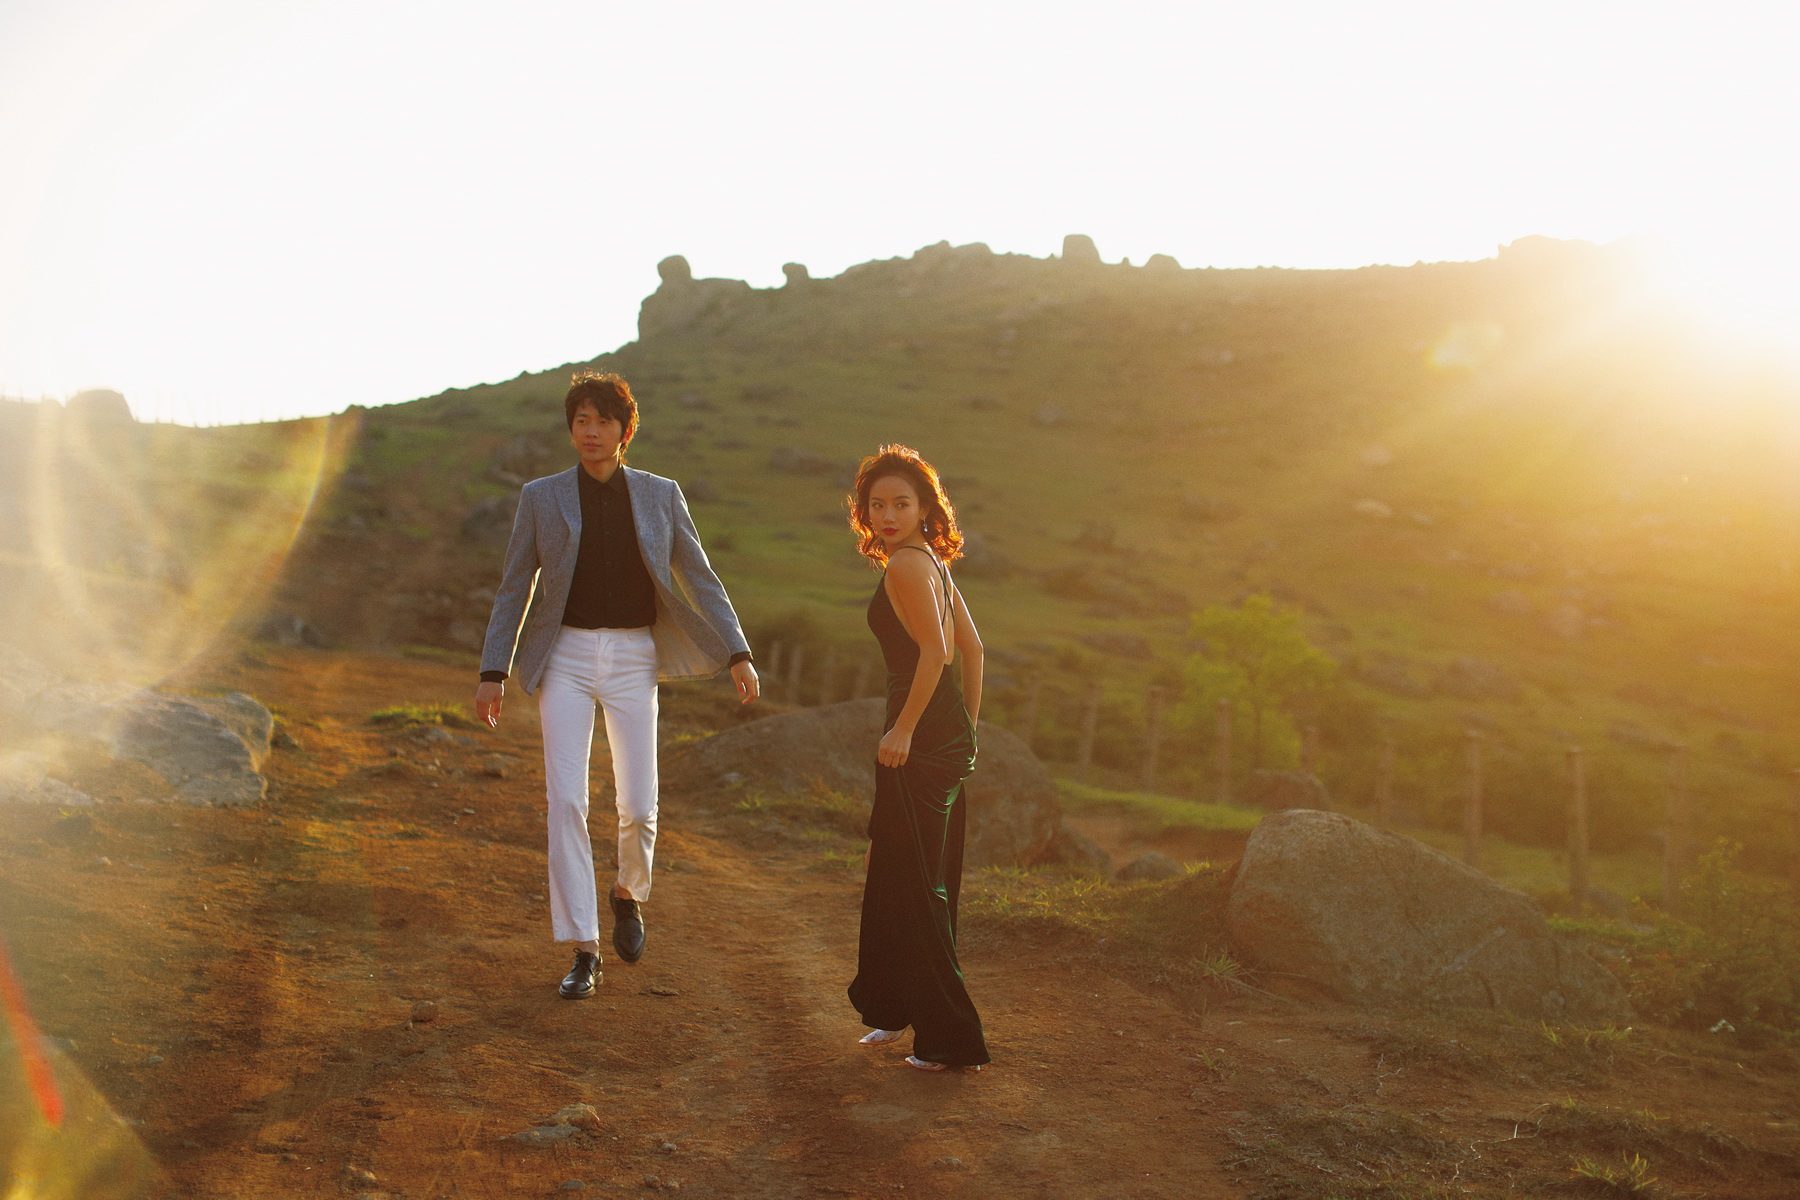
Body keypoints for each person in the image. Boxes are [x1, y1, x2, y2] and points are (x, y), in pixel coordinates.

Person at [474, 371, 758, 1000]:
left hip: (634, 656)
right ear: (571, 428)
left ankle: (628, 893)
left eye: (603, 421)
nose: (591, 432)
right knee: (566, 801)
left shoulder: (660, 495)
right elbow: (515, 585)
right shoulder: (541, 497)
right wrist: (494, 670)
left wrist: (737, 651)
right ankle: (584, 948)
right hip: (565, 655)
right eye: (581, 420)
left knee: (639, 803)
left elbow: (700, 576)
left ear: (625, 432)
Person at [845, 445, 991, 1071]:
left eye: (900, 504)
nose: (887, 515)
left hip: (917, 736)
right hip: (940, 732)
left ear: (925, 507)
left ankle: (950, 1037)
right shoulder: (931, 560)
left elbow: (940, 654)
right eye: (876, 504)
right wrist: (966, 729)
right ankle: (893, 1006)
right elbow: (976, 651)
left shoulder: (909, 564)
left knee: (911, 881)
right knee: (899, 869)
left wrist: (906, 730)